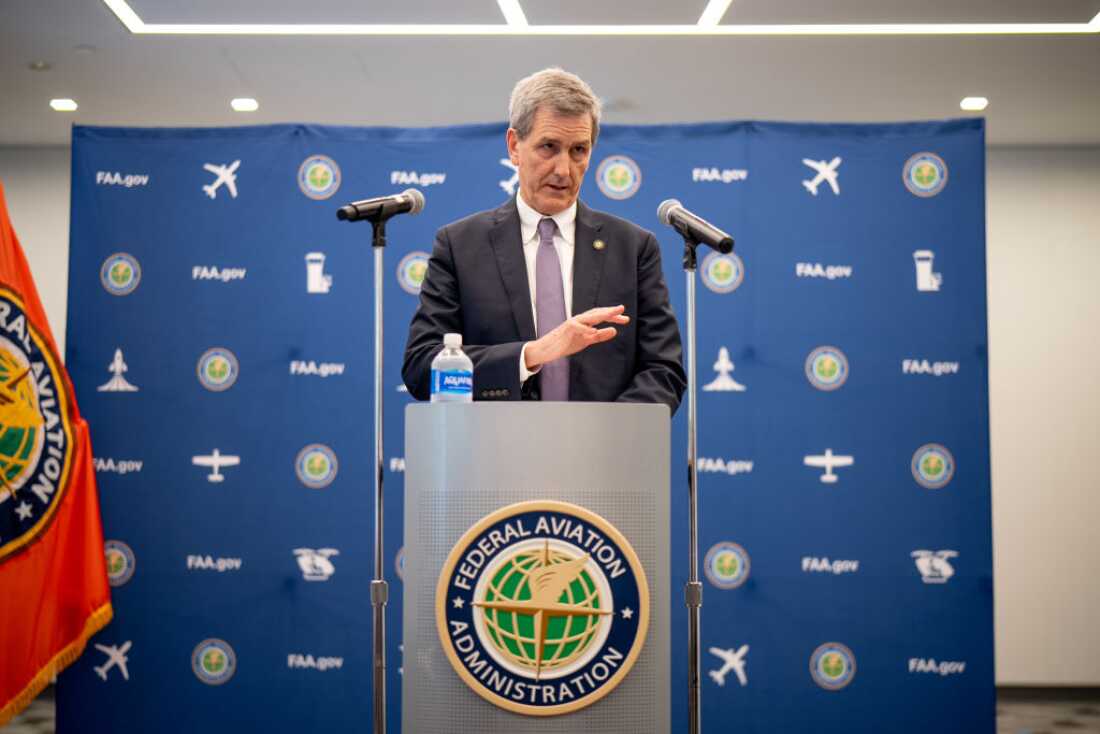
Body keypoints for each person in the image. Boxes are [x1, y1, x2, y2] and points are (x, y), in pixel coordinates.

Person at [402, 68, 686, 414]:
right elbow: (422, 367)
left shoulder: (633, 248)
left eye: (578, 150)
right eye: (549, 147)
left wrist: (606, 435)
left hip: (603, 460)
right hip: (492, 458)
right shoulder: (460, 246)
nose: (564, 170)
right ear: (513, 146)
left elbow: (663, 370)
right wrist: (532, 354)